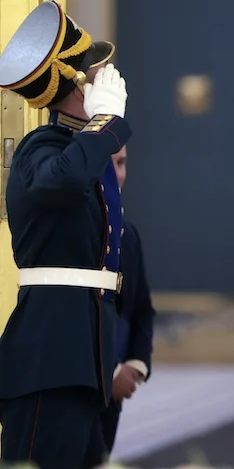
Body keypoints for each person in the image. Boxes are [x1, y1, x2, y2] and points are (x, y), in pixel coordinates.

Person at [0, 0, 131, 468]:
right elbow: (64, 177)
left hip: (81, 357)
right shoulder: (41, 149)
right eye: (93, 69)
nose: (104, 74)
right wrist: (103, 124)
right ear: (78, 85)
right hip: (49, 359)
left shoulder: (78, 152)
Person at [84, 144, 156, 466]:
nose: (116, 174)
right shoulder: (76, 234)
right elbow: (75, 312)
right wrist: (110, 372)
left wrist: (136, 364)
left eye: (122, 163)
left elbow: (142, 309)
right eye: (106, 163)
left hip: (115, 390)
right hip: (82, 384)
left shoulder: (129, 235)